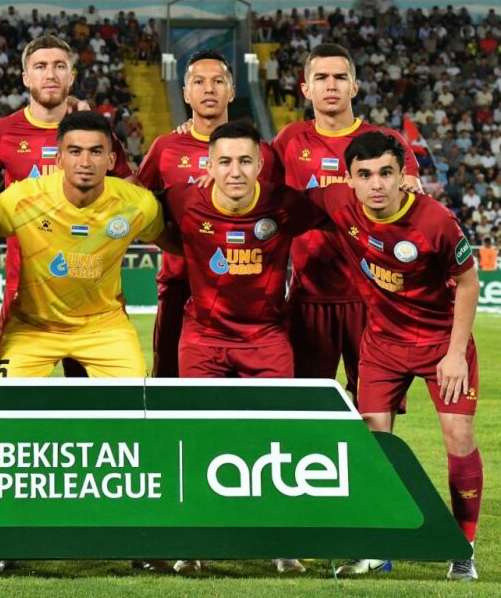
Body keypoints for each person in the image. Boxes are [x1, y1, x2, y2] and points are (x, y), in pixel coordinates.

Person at [306, 132, 481, 581]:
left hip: (441, 342)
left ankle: (462, 548)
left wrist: (456, 354)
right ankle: (378, 546)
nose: (376, 184)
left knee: (458, 436)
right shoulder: (337, 202)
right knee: (373, 441)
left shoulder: (436, 221)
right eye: (364, 175)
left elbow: (468, 281)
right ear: (349, 179)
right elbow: (278, 200)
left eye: (386, 173)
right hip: (383, 344)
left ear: (403, 175)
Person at [165, 120, 323, 575]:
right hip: (203, 338)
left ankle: (280, 541)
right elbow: (135, 209)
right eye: (225, 162)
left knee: (276, 438)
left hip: (266, 339)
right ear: (208, 165)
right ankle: (193, 540)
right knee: (198, 437)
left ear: (260, 165)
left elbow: (345, 209)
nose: (235, 171)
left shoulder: (285, 203)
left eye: (245, 161)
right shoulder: (180, 199)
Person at [0, 35, 133, 385]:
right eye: (40, 66)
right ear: (26, 77)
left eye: (59, 66)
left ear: (71, 76)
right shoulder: (3, 131)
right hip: (26, 299)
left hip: (93, 297)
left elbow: (134, 195)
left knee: (105, 406)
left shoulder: (96, 133)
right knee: (14, 403)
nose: (50, 74)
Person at [0, 111, 177, 378]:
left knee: (135, 399)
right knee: (5, 400)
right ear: (59, 159)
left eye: (96, 152)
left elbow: (178, 244)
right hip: (33, 328)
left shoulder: (137, 204)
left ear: (111, 160)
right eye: (75, 151)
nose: (85, 162)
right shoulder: (22, 199)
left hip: (104, 328)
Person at [272, 43, 419, 407]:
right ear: (306, 88)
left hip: (373, 298)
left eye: (340, 77)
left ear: (354, 87)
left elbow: (412, 206)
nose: (331, 85)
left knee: (377, 409)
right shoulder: (288, 141)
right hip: (309, 296)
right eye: (321, 77)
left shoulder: (385, 143)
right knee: (305, 408)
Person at [137, 49, 283, 379]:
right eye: (198, 82)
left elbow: (280, 213)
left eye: (218, 81)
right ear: (185, 93)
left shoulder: (263, 153)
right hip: (180, 285)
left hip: (245, 290)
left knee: (253, 392)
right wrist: (173, 243)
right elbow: (141, 206)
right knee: (171, 385)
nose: (208, 89)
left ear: (232, 91)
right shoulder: (166, 148)